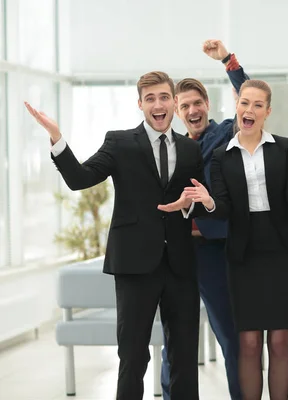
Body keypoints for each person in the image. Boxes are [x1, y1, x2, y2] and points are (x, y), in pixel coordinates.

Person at [25, 71, 206, 400]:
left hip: (180, 266)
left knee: (184, 359)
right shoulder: (120, 143)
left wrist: (186, 207)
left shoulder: (191, 150)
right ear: (140, 104)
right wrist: (56, 137)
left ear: (174, 103)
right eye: (149, 98)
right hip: (134, 266)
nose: (158, 104)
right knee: (133, 356)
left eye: (164, 97)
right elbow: (80, 178)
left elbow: (196, 202)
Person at [166, 79, 288, 400]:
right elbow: (224, 207)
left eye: (258, 105)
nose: (250, 110)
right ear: (237, 108)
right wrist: (207, 201)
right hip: (242, 255)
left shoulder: (284, 148)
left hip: (284, 254)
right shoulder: (223, 155)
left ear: (267, 111)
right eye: (245, 103)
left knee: (279, 342)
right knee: (248, 343)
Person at [160, 39, 247, 400]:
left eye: (197, 103)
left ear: (207, 105)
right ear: (178, 112)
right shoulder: (172, 146)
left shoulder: (225, 133)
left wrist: (228, 60)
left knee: (230, 335)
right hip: (179, 251)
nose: (192, 110)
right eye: (185, 106)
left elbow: (249, 97)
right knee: (175, 340)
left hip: (215, 250)